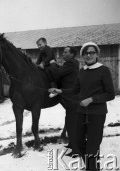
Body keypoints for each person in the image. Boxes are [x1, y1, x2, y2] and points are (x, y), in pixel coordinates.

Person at [49, 42, 115, 171]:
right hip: (81, 111)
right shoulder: (82, 71)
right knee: (78, 143)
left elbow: (110, 94)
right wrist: (60, 91)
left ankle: (92, 168)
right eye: (86, 53)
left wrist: (91, 99)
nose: (89, 55)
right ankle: (91, 166)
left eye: (92, 52)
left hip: (97, 113)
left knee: (92, 146)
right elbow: (76, 89)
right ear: (82, 55)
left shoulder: (103, 70)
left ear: (97, 54)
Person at [48, 46, 80, 155]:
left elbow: (57, 73)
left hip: (72, 97)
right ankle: (72, 144)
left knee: (72, 123)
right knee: (69, 120)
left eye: (66, 52)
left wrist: (52, 63)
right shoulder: (72, 63)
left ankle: (76, 150)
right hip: (70, 96)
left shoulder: (71, 63)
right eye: (63, 52)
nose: (63, 54)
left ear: (72, 54)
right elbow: (62, 71)